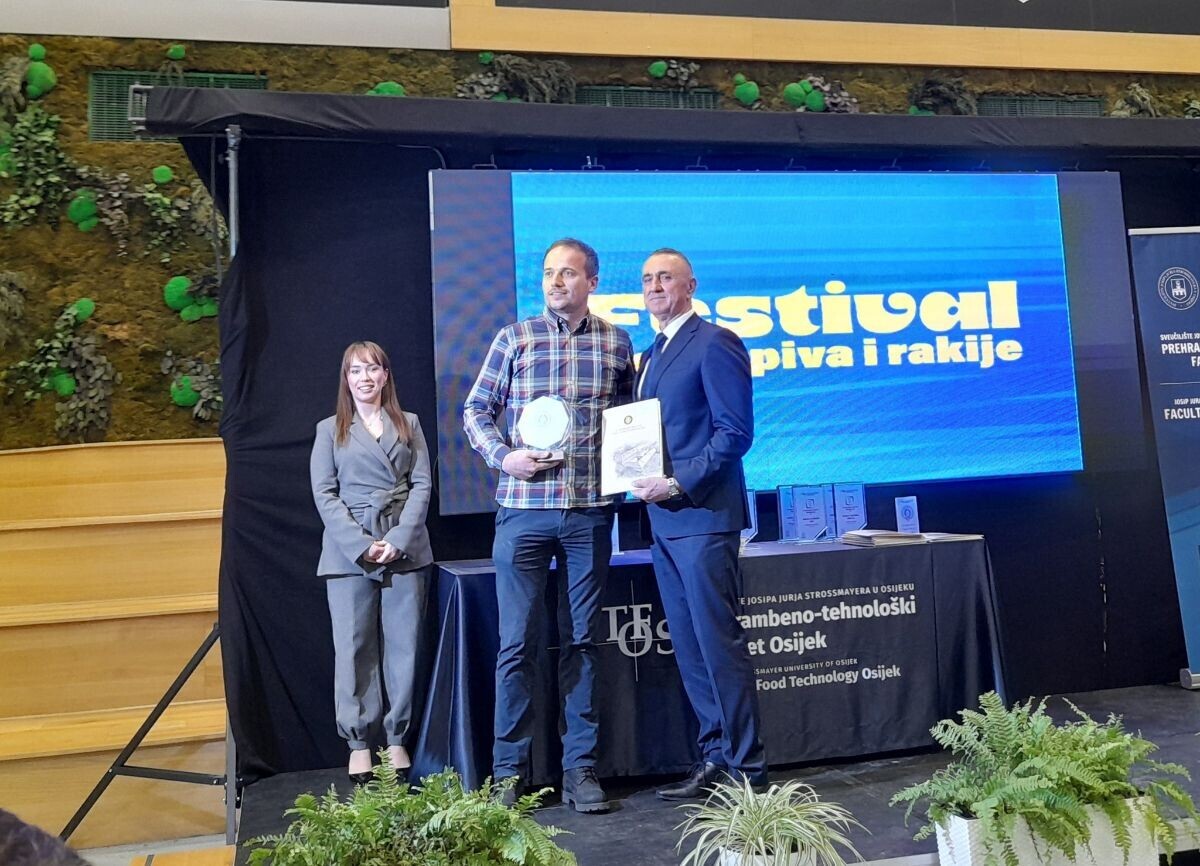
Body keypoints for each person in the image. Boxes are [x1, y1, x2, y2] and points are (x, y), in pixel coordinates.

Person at [463, 238, 634, 813]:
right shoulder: (515, 338)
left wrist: (631, 468)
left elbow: (631, 421)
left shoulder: (616, 342)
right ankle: (508, 773)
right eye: (548, 273)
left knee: (582, 642)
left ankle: (580, 769)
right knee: (516, 644)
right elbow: (475, 409)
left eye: (568, 273)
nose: (556, 281)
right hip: (523, 509)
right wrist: (503, 456)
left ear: (592, 281)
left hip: (589, 513)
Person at [630, 248, 769, 799]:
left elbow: (735, 433)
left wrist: (678, 482)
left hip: (704, 519)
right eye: (647, 279)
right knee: (690, 650)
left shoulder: (715, 342)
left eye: (665, 277)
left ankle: (748, 772)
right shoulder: (650, 354)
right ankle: (715, 757)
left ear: (690, 285)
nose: (654, 286)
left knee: (717, 646)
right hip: (664, 522)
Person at [310, 340, 434, 784]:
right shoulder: (330, 430)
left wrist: (398, 540)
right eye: (355, 370)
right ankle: (359, 743)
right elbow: (324, 493)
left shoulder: (409, 423)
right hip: (349, 554)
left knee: (405, 647)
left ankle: (397, 737)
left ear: (385, 375)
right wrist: (361, 545)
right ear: (346, 379)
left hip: (405, 549)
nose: (365, 377)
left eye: (372, 369)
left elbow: (422, 485)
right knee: (354, 648)